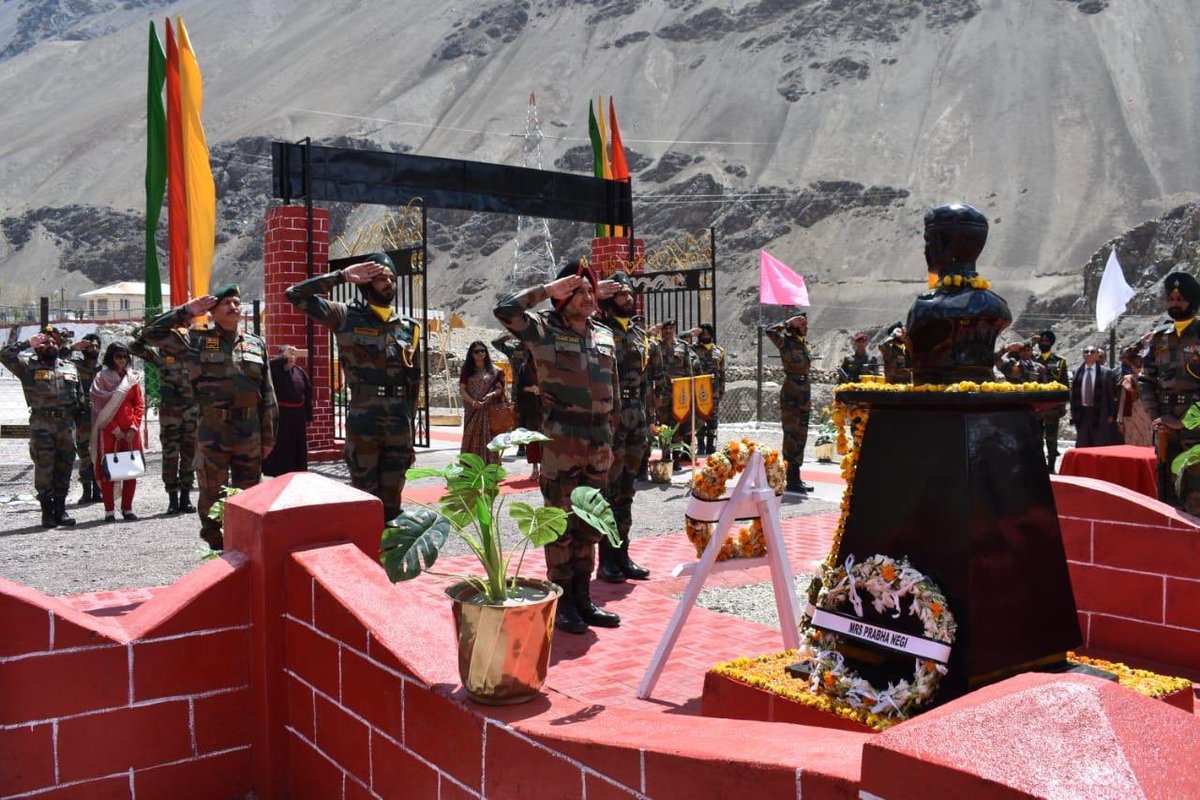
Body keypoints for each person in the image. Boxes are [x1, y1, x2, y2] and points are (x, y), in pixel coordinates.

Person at [494, 259, 621, 634]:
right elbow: (505, 309)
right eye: (577, 290)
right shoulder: (543, 331)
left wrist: (610, 440)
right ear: (563, 297)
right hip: (562, 442)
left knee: (589, 523)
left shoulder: (604, 335)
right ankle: (562, 598)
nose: (586, 297)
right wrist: (548, 290)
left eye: (589, 290)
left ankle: (583, 596)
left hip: (599, 443)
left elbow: (612, 392)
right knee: (560, 524)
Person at [286, 253, 421, 525]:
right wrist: (342, 275)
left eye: (392, 278)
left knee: (393, 499)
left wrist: (411, 430)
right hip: (365, 421)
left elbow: (413, 384)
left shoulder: (409, 328)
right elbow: (295, 294)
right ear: (366, 284)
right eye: (382, 279)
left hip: (399, 424)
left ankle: (388, 560)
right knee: (364, 497)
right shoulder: (344, 316)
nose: (389, 284)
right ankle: (365, 558)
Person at [143, 284, 277, 549]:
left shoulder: (254, 343)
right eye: (226, 303)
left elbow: (268, 392)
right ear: (212, 311)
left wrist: (268, 435)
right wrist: (186, 311)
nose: (234, 307)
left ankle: (246, 548)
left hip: (249, 429)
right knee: (212, 492)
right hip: (213, 428)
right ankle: (217, 549)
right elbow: (150, 333)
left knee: (249, 493)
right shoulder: (196, 340)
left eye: (237, 302)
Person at [595, 271, 655, 583]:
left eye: (631, 294)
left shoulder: (637, 334)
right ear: (607, 299)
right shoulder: (596, 330)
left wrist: (648, 417)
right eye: (621, 294)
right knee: (609, 490)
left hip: (636, 417)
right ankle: (606, 559)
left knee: (627, 490)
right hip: (612, 419)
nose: (629, 299)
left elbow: (647, 379)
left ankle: (622, 553)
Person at [1, 325, 82, 528]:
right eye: (44, 342)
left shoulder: (69, 367)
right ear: (37, 347)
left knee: (65, 466)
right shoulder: (28, 367)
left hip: (66, 425)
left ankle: (61, 510)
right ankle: (47, 513)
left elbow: (80, 399)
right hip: (42, 426)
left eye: (53, 341)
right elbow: (4, 355)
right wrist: (27, 343)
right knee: (45, 468)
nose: (50, 344)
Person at [1140, 271, 1200, 512]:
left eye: (1181, 299)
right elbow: (1146, 380)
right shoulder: (1158, 338)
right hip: (1164, 431)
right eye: (1171, 299)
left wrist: (1184, 422)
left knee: (1195, 499)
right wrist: (1155, 416)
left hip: (1195, 434)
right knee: (1166, 500)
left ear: (1193, 302)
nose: (1175, 303)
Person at [130, 327, 199, 514]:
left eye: (182, 338)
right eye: (176, 338)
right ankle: (172, 498)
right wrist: (147, 334)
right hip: (170, 411)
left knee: (189, 453)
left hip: (192, 410)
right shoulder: (161, 355)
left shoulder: (195, 354)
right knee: (170, 454)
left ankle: (185, 496)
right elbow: (134, 348)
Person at [90, 342, 144, 522]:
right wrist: (114, 428)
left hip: (130, 432)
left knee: (130, 469)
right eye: (118, 356)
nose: (122, 360)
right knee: (109, 471)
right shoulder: (101, 378)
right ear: (110, 357)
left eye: (125, 357)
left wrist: (133, 427)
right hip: (109, 430)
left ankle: (127, 508)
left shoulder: (132, 378)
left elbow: (139, 404)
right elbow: (99, 406)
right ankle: (109, 511)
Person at [766, 313, 815, 493]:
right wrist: (787, 322)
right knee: (791, 434)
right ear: (794, 327)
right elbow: (769, 331)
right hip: (791, 392)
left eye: (805, 323)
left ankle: (796, 476)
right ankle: (789, 476)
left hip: (804, 391)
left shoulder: (804, 344)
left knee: (802, 434)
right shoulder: (786, 342)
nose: (806, 326)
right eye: (802, 324)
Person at [262, 344, 313, 476]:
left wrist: (309, 415)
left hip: (297, 418)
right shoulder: (273, 371)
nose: (291, 358)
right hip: (280, 418)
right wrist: (282, 358)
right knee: (280, 453)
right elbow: (268, 365)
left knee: (297, 452)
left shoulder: (300, 372)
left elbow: (307, 395)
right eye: (287, 355)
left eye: (293, 355)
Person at [459, 340, 505, 466]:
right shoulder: (467, 370)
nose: (480, 353)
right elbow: (462, 390)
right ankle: (469, 467)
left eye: (483, 351)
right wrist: (473, 402)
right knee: (470, 437)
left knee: (489, 438)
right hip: (472, 410)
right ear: (471, 354)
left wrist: (492, 394)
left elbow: (499, 389)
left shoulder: (494, 371)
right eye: (477, 351)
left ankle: (491, 466)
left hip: (488, 409)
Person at [69, 333, 102, 504]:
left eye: (96, 346)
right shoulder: (74, 366)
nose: (93, 349)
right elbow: (56, 358)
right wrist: (74, 347)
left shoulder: (104, 369)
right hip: (83, 417)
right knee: (84, 453)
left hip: (101, 418)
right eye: (89, 346)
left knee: (100, 453)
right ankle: (86, 490)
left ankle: (98, 490)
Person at [686, 323, 726, 455]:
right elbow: (680, 341)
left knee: (713, 418)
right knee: (699, 417)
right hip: (699, 390)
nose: (706, 336)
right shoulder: (692, 349)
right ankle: (701, 443)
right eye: (703, 333)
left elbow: (722, 372)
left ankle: (711, 444)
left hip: (713, 390)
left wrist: (721, 390)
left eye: (708, 333)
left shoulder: (719, 350)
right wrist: (690, 333)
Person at [1034, 330, 1070, 470]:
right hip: (1035, 406)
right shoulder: (1032, 360)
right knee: (1036, 437)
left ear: (1051, 343)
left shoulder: (1060, 361)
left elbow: (1064, 385)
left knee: (1051, 438)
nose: (1044, 343)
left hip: (1052, 407)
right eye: (1041, 341)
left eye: (1046, 341)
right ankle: (1038, 465)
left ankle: (1051, 465)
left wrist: (1062, 406)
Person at [1070, 344, 1119, 447]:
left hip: (1100, 413)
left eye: (1092, 352)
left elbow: (1110, 395)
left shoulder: (1106, 373)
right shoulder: (1077, 372)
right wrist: (1073, 413)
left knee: (1099, 444)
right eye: (1086, 352)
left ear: (1097, 355)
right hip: (1082, 413)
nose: (1089, 354)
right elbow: (1073, 395)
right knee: (1082, 444)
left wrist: (1111, 414)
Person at [1117, 345, 1152, 447]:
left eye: (1140, 365)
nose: (1137, 368)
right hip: (1131, 415)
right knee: (1132, 442)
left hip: (1147, 414)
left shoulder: (1150, 379)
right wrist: (1119, 419)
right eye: (1135, 365)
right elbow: (1123, 400)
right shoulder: (1128, 379)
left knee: (1147, 441)